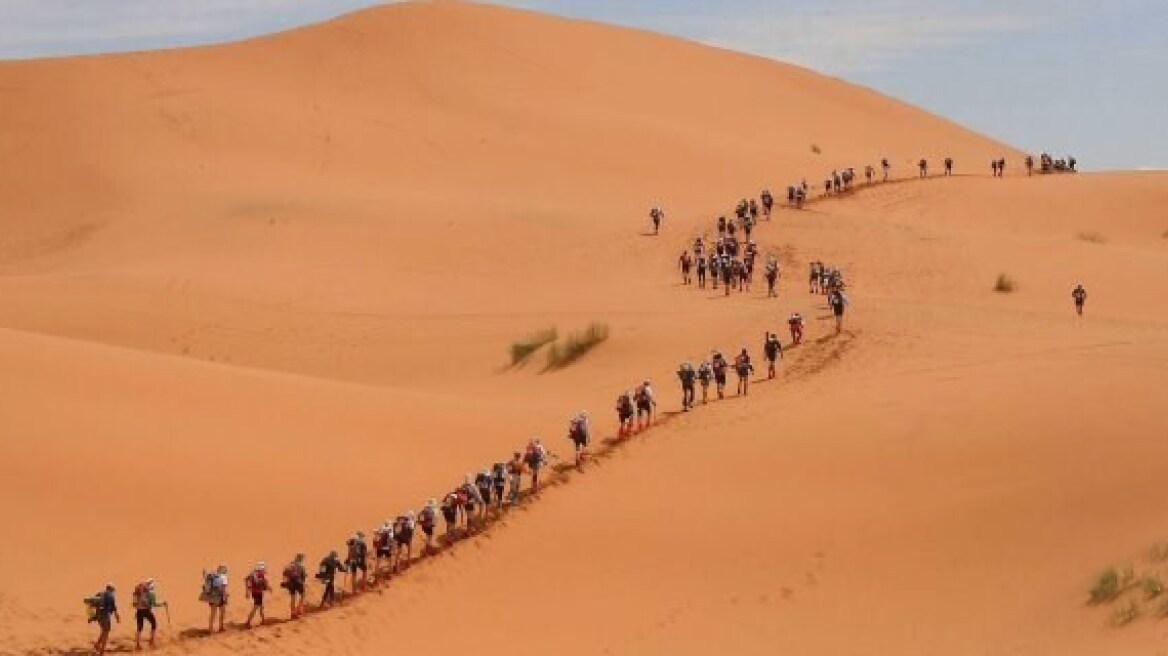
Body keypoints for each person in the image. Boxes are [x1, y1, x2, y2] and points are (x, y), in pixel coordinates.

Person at [131, 578, 164, 649]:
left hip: (139, 611)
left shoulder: (136, 594)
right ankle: (152, 641)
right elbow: (154, 604)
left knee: (139, 628)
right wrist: (163, 604)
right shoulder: (150, 594)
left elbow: (134, 605)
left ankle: (138, 644)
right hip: (146, 611)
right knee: (154, 624)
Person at [92, 583, 120, 656]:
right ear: (111, 589)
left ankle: (97, 645)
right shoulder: (111, 596)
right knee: (106, 632)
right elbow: (114, 608)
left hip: (98, 616)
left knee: (104, 631)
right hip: (105, 616)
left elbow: (92, 604)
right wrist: (117, 617)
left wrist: (93, 616)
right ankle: (102, 651)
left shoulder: (99, 593)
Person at [201, 565, 228, 633]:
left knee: (213, 613)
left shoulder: (212, 575)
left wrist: (204, 573)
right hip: (220, 596)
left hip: (212, 596)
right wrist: (225, 597)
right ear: (224, 570)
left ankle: (210, 628)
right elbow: (223, 588)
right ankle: (221, 627)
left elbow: (205, 578)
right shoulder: (223, 577)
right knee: (222, 612)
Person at [243, 562, 270, 629]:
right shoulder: (257, 575)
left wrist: (247, 592)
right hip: (257, 593)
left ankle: (263, 620)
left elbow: (247, 582)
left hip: (257, 593)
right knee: (256, 607)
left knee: (261, 606)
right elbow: (265, 583)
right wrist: (268, 588)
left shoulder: (252, 574)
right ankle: (248, 621)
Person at [281, 554, 308, 620]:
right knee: (303, 595)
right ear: (301, 558)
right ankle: (299, 609)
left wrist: (285, 582)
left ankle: (292, 613)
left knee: (293, 597)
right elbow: (303, 576)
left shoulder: (290, 564)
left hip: (290, 583)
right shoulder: (301, 566)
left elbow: (284, 573)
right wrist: (303, 581)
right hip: (298, 582)